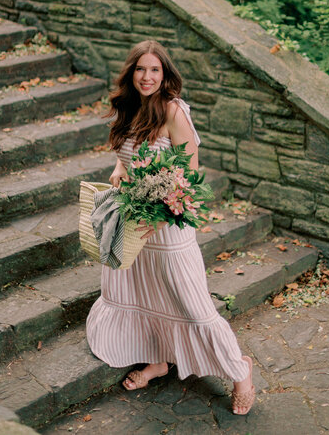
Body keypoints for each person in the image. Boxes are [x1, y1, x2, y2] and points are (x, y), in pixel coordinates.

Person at [86, 40, 255, 415]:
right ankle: (159, 361)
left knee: (193, 305)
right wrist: (118, 170)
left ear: (165, 75)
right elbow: (125, 158)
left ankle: (239, 371)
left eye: (155, 70)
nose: (147, 77)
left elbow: (191, 174)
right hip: (133, 227)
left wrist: (158, 216)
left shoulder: (173, 111)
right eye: (141, 69)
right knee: (145, 296)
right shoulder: (129, 108)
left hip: (166, 228)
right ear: (132, 73)